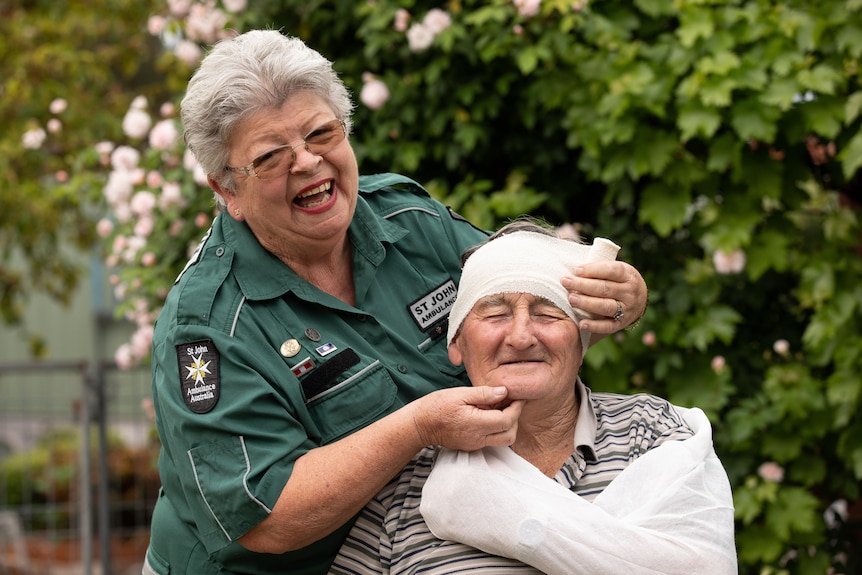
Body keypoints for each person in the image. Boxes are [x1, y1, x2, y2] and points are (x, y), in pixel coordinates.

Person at [142, 30, 649, 575]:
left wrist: (619, 295)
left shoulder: (411, 220)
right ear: (226, 191)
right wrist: (417, 429)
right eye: (269, 157)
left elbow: (536, 289)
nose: (308, 162)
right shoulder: (207, 327)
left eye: (321, 132)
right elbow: (267, 517)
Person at [331, 222, 737, 575]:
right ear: (455, 344)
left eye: (548, 312)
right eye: (494, 313)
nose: (522, 335)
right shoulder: (406, 488)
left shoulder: (651, 432)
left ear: (582, 339)